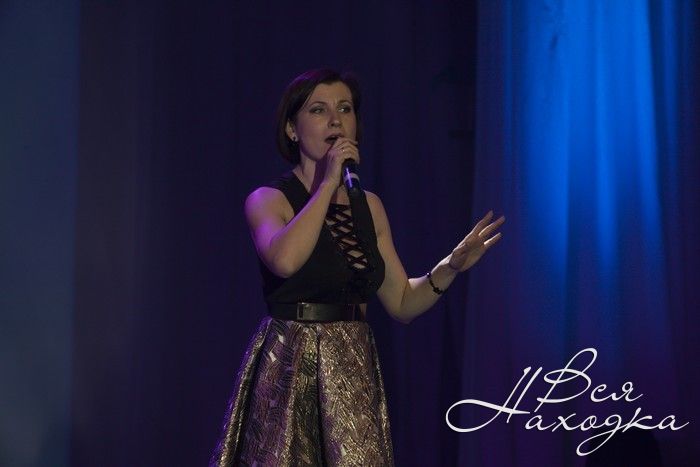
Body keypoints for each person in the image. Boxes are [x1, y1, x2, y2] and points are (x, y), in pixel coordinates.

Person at [211, 68, 505, 466]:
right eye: (319, 110)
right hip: (291, 364)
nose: (335, 120)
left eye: (345, 109)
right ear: (292, 129)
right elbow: (285, 260)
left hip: (350, 365)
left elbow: (402, 302)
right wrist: (327, 183)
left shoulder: (369, 206)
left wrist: (450, 266)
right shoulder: (269, 199)